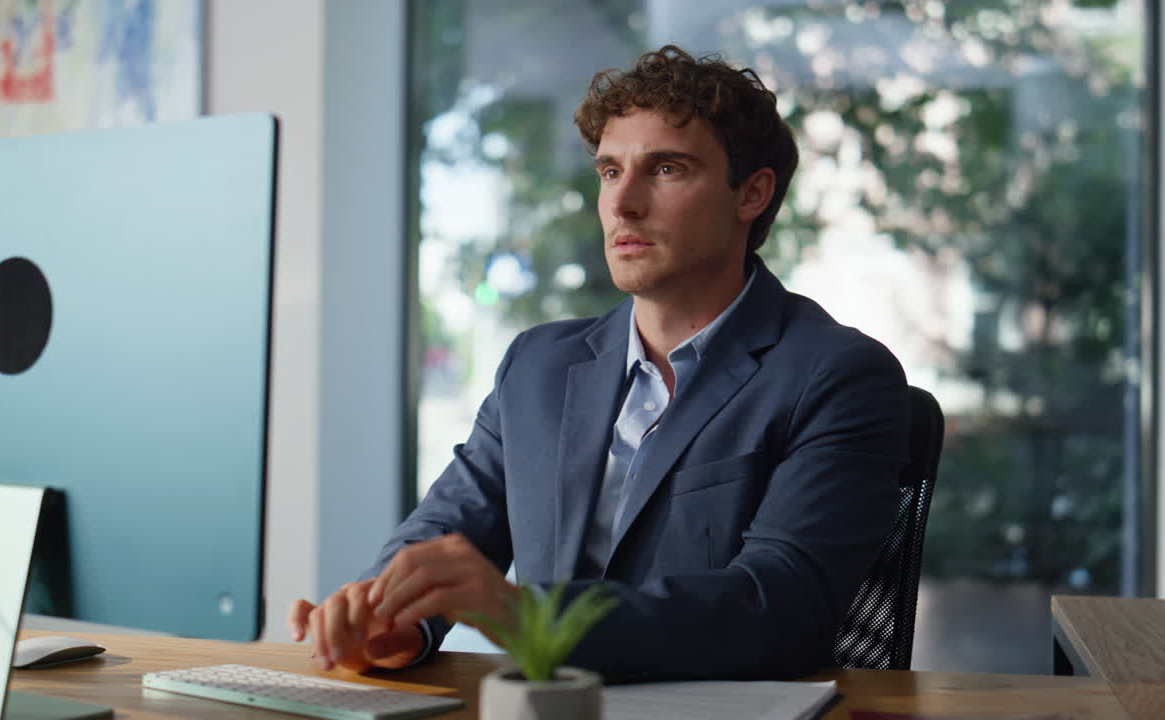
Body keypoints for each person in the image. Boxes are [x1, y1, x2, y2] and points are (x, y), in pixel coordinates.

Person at [290, 45, 910, 681]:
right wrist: (388, 621)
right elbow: (445, 533)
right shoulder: (538, 366)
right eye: (610, 171)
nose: (624, 203)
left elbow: (781, 608)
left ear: (752, 193)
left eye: (666, 169)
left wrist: (520, 615)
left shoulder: (839, 376)